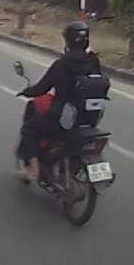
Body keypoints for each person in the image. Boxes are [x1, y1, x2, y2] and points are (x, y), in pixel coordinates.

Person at [15, 21, 102, 182]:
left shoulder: (62, 64)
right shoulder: (94, 62)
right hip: (90, 118)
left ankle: (34, 170)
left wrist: (26, 91)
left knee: (29, 129)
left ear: (67, 41)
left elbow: (41, 88)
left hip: (64, 118)